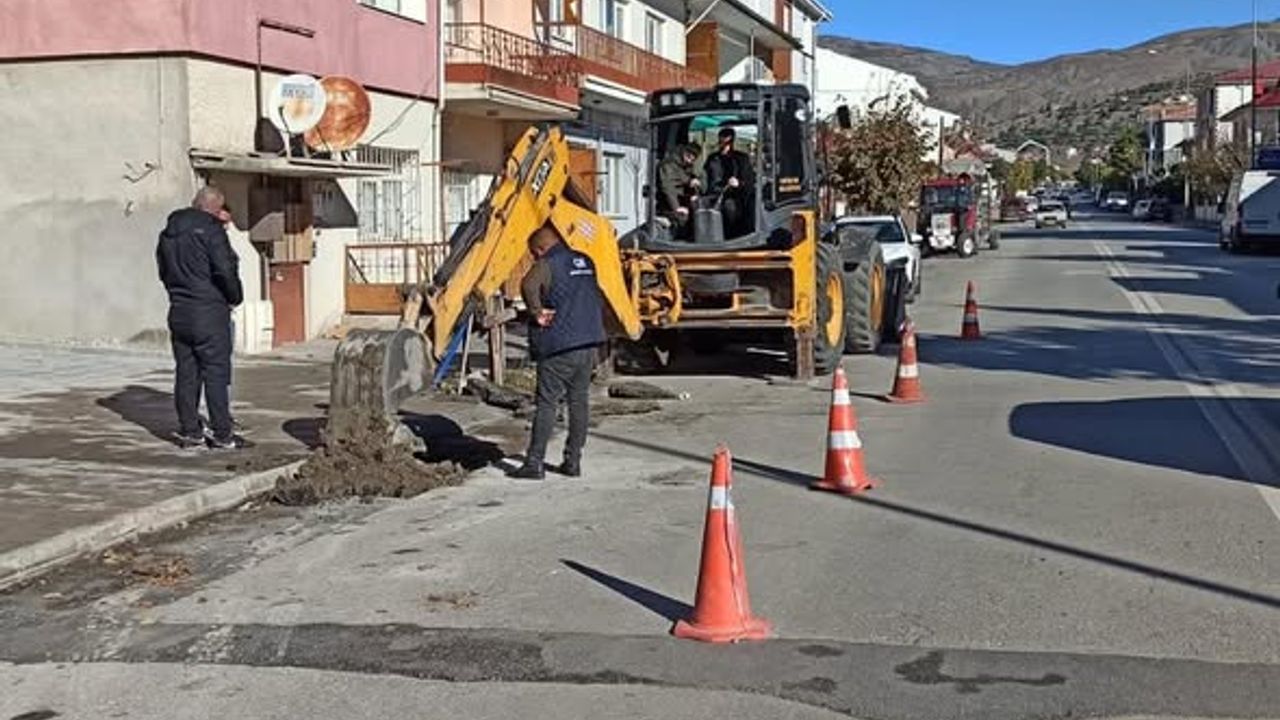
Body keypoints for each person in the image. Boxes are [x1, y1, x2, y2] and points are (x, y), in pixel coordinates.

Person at [508, 225, 607, 480]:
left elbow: (528, 285)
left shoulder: (547, 263)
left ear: (541, 249)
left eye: (533, 253)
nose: (534, 257)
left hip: (559, 345)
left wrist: (536, 311)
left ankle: (534, 462)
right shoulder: (586, 260)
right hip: (588, 344)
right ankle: (573, 461)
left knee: (547, 403)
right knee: (579, 401)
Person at [156, 186, 247, 450]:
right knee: (216, 374)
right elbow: (224, 269)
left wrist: (179, 293)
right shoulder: (211, 231)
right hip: (209, 312)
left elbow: (163, 271)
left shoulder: (167, 234)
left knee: (186, 372)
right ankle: (222, 434)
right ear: (216, 208)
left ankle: (190, 431)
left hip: (179, 310)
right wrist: (235, 296)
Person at [704, 127, 754, 236]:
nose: (724, 145)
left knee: (730, 207)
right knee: (700, 204)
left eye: (728, 142)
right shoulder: (712, 158)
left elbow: (749, 181)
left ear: (733, 141)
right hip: (713, 194)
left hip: (734, 195)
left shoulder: (741, 158)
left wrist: (738, 183)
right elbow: (705, 177)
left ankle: (731, 236)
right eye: (721, 141)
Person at [657, 143, 702, 231]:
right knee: (683, 220)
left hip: (682, 202)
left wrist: (693, 192)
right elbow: (668, 189)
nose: (690, 161)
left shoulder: (686, 166)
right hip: (668, 206)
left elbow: (684, 182)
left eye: (693, 160)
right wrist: (676, 208)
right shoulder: (668, 165)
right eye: (689, 157)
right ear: (684, 153)